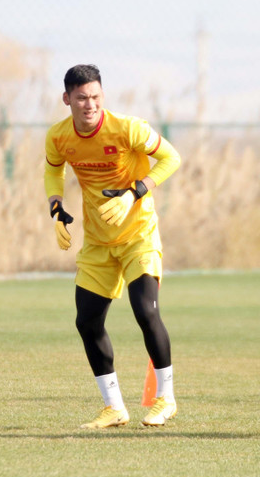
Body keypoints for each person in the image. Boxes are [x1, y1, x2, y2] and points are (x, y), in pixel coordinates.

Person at [44, 64, 182, 428]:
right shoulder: (58, 136)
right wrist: (56, 207)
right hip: (98, 242)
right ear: (66, 99)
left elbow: (171, 158)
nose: (90, 105)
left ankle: (166, 399)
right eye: (81, 98)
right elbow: (54, 169)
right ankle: (114, 408)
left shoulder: (127, 128)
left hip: (138, 235)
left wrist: (135, 192)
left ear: (102, 96)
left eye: (95, 97)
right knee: (87, 322)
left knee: (146, 312)